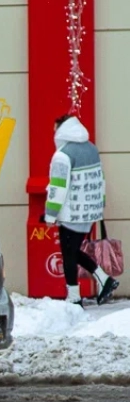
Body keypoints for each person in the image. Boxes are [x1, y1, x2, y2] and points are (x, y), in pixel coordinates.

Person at [44, 114, 118, 306]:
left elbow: (58, 187)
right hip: (89, 212)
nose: (54, 133)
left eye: (55, 129)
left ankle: (74, 297)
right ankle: (105, 279)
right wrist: (100, 206)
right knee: (73, 251)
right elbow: (100, 180)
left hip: (71, 213)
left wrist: (50, 214)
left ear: (62, 130)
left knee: (68, 253)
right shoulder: (92, 148)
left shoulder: (63, 155)